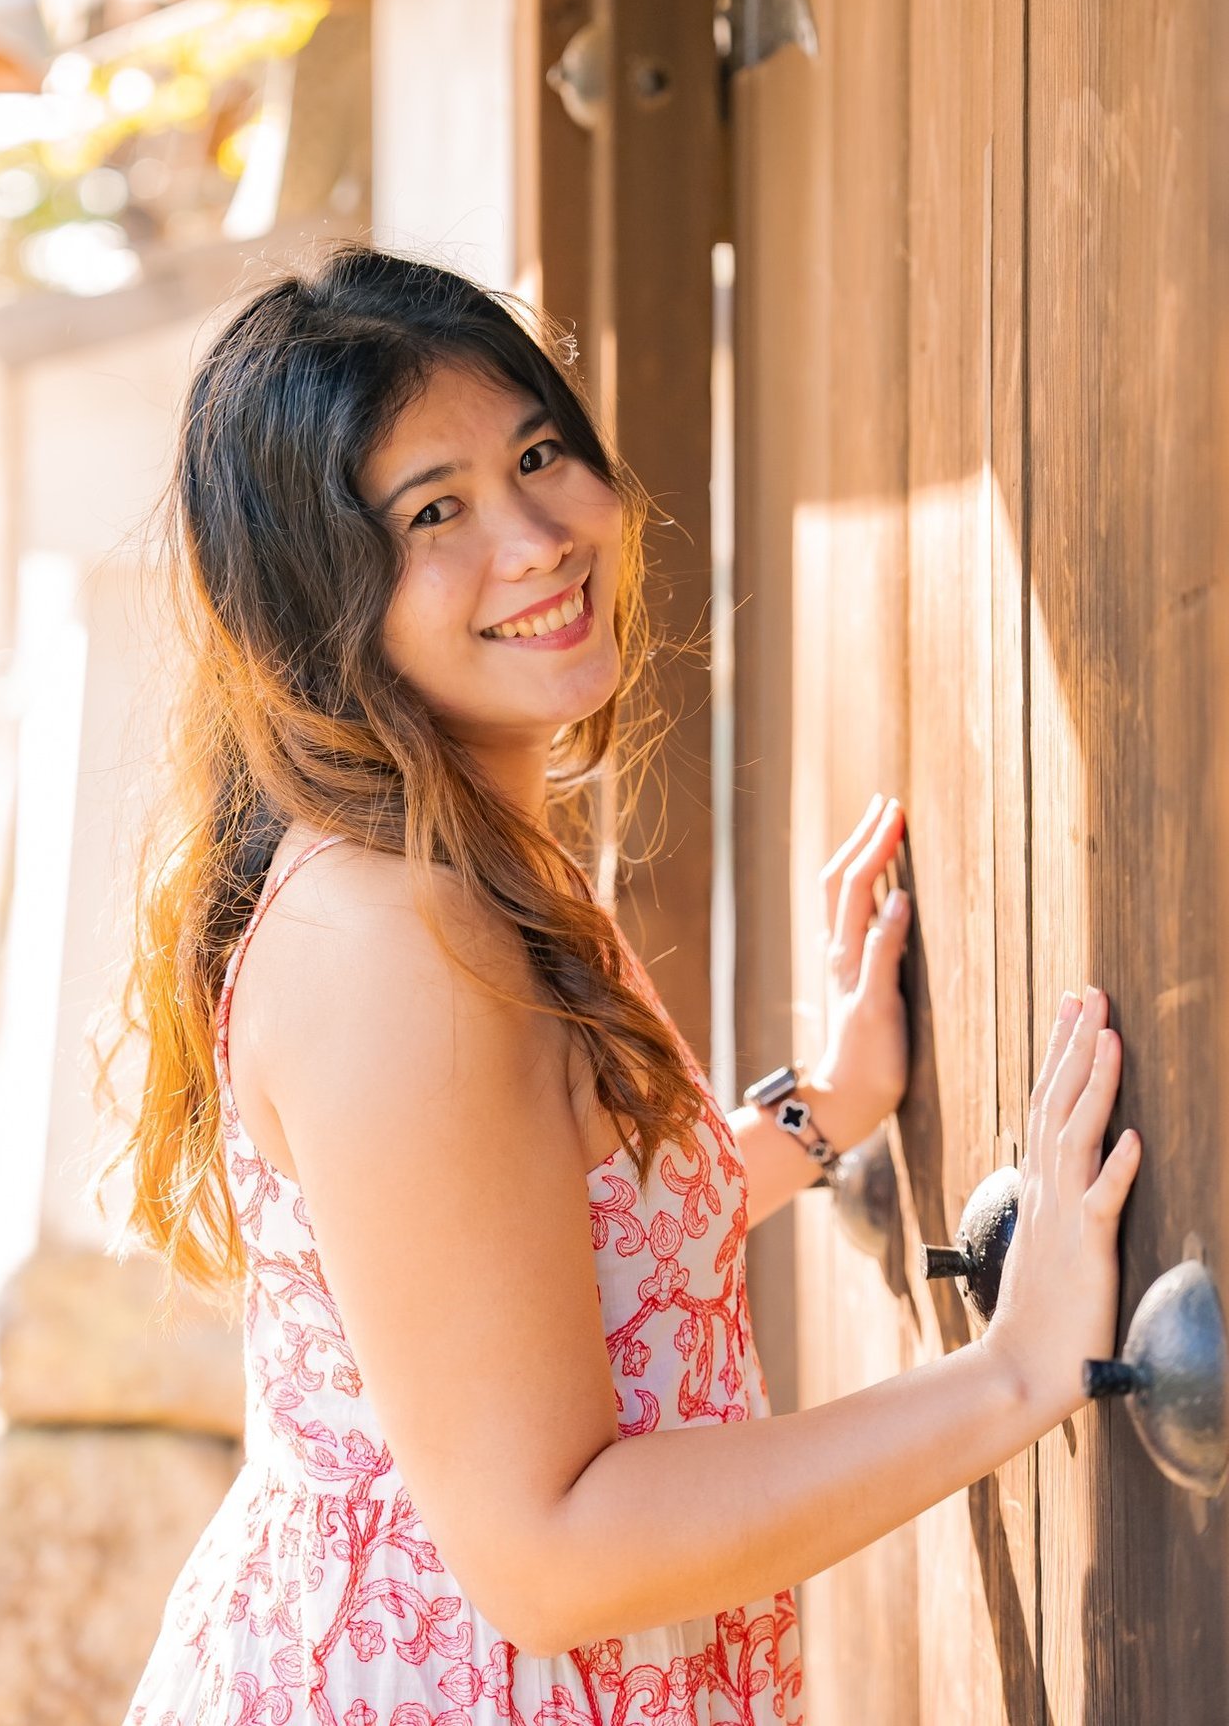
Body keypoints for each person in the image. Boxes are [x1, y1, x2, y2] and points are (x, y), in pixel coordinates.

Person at [106, 248, 1139, 1726]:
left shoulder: (459, 857)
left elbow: (539, 1249)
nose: (536, 539)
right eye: (435, 512)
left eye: (538, 455)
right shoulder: (393, 940)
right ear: (312, 602)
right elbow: (547, 1551)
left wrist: (819, 1111)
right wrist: (1016, 1373)